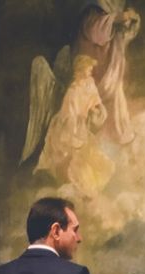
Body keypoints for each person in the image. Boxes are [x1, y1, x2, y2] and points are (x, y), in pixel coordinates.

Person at [35, 54, 115, 198]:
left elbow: (95, 101)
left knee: (92, 159)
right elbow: (68, 117)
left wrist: (97, 110)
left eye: (90, 68)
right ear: (80, 70)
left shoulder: (89, 83)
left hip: (81, 127)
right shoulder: (72, 92)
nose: (90, 71)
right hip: (67, 128)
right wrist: (75, 132)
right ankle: (78, 189)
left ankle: (86, 189)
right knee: (76, 159)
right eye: (88, 68)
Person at [73, 0, 140, 144]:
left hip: (110, 60)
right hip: (94, 61)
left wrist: (129, 21)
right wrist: (119, 18)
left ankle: (118, 132)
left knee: (116, 95)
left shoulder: (114, 4)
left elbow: (121, 30)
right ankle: (91, 137)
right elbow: (96, 33)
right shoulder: (93, 6)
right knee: (91, 101)